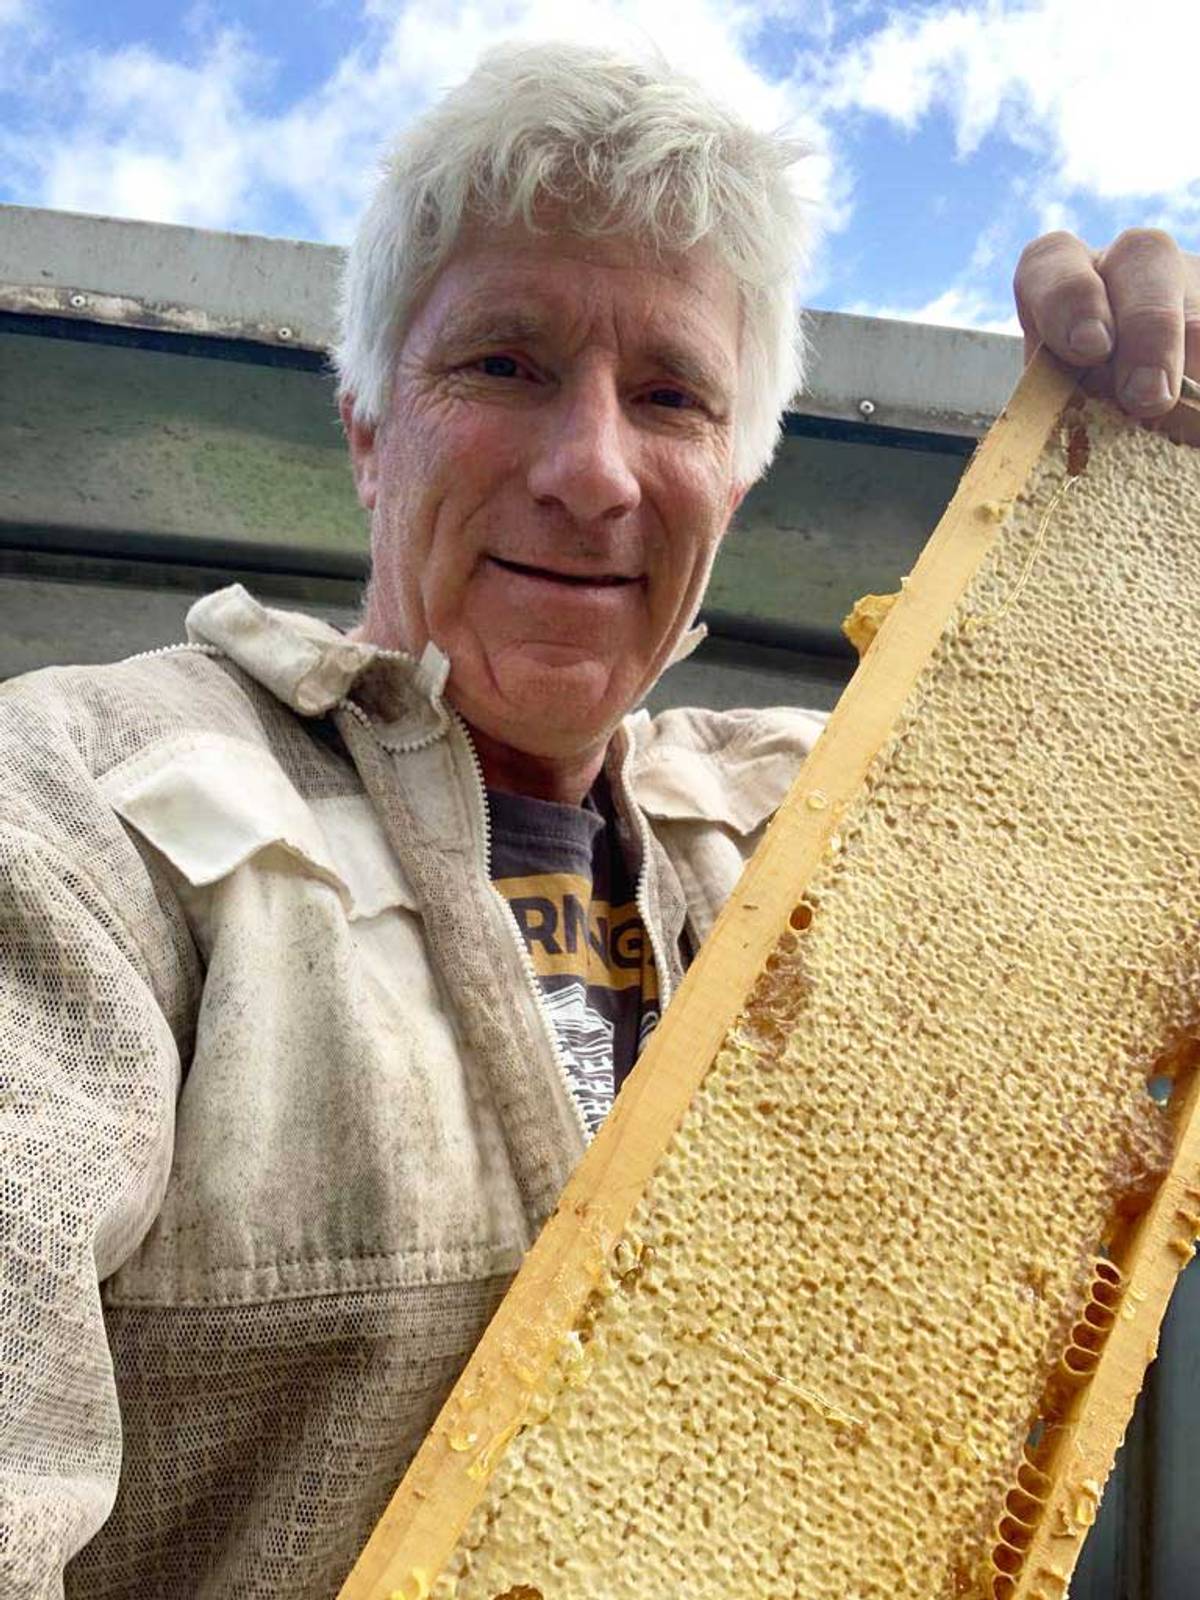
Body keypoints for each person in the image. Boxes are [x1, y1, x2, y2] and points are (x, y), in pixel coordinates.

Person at [1, 39, 1196, 1600]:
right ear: (369, 429)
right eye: (503, 364)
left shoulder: (851, 820)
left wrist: (1143, 509)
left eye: (673, 395)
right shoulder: (78, 813)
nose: (591, 470)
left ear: (737, 483)